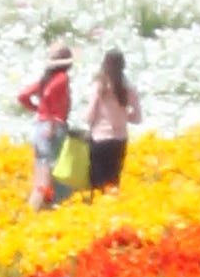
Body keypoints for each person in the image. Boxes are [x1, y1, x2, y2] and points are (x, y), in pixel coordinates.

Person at [17, 41, 73, 208]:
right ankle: (47, 208)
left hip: (41, 127)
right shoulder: (62, 78)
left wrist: (37, 109)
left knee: (40, 175)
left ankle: (34, 210)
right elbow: (48, 95)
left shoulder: (45, 80)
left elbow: (23, 95)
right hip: (53, 128)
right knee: (53, 173)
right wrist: (50, 119)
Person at [85, 47, 142, 194]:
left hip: (100, 138)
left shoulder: (100, 85)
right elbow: (137, 118)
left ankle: (98, 206)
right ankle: (112, 206)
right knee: (113, 181)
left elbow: (89, 115)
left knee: (97, 183)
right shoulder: (129, 88)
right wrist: (123, 116)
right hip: (119, 139)